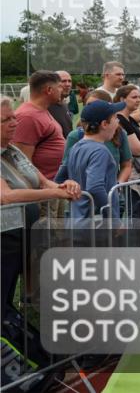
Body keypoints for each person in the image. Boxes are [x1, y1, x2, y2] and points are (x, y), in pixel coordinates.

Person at [1, 97, 80, 320]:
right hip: (5, 236)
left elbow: (42, 181)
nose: (14, 123)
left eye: (14, 117)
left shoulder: (13, 149)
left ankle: (16, 321)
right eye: (6, 120)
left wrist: (64, 186)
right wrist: (54, 193)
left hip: (23, 231)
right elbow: (6, 197)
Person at [57, 100, 126, 219]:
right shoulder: (100, 151)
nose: (118, 121)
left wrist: (68, 183)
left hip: (77, 219)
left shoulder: (76, 147)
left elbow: (59, 179)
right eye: (115, 118)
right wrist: (113, 218)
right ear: (104, 124)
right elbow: (95, 187)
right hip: (96, 224)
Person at [63, 90, 134, 189]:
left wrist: (117, 186)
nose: (93, 109)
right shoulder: (75, 136)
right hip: (85, 198)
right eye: (89, 106)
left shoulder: (119, 133)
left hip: (113, 194)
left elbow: (126, 165)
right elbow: (65, 168)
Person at [13, 71, 67, 184]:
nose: (61, 90)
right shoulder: (28, 116)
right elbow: (22, 162)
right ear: (49, 90)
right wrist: (42, 188)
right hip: (43, 191)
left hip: (52, 186)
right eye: (59, 87)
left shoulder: (41, 111)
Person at [48, 71, 74, 137]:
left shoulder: (64, 105)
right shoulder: (46, 107)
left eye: (69, 81)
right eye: (63, 81)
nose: (68, 84)